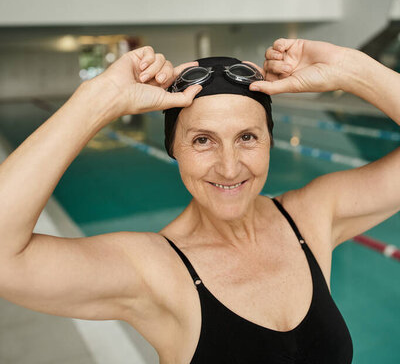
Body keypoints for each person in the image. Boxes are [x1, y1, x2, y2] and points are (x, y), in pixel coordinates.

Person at [0, 38, 399, 363]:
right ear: (172, 147)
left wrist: (354, 70)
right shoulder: (155, 271)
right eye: (203, 140)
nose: (229, 168)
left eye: (247, 137)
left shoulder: (311, 217)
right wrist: (97, 100)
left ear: (270, 141)